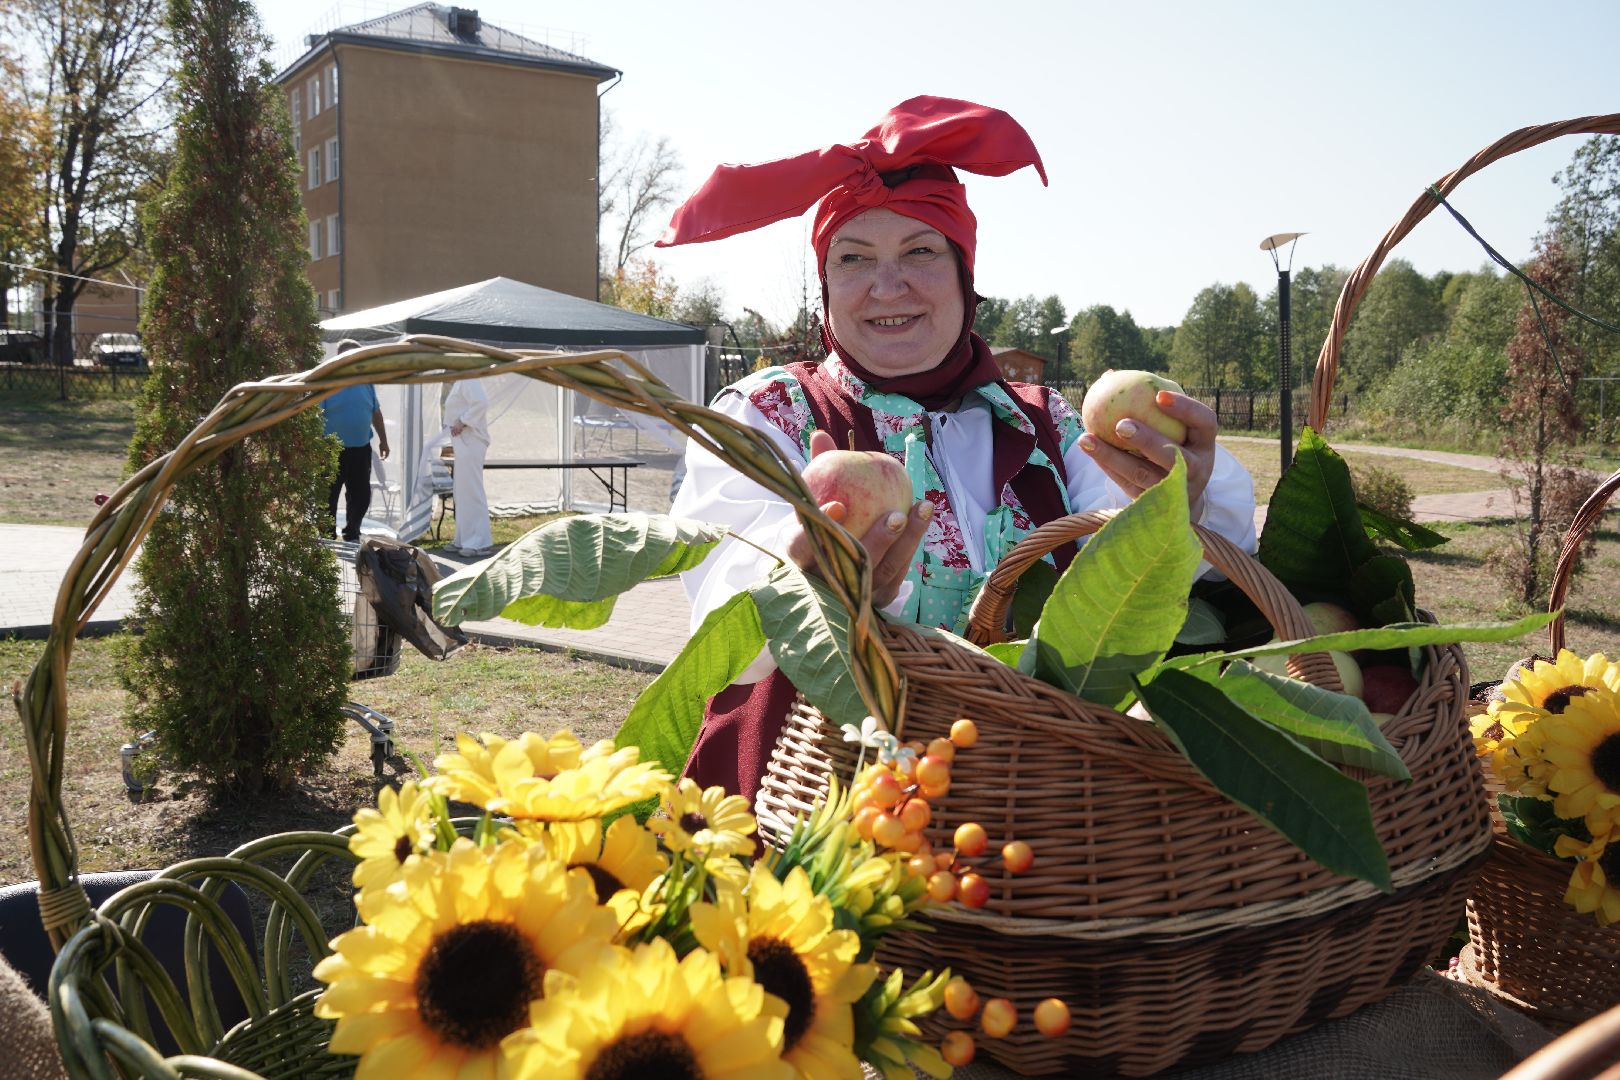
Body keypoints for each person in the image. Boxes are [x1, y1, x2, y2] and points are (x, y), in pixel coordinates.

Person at [657, 96, 1258, 804]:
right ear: (826, 290)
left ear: (965, 276)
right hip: (818, 804)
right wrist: (804, 574)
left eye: (920, 251)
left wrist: (1175, 504)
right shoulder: (764, 415)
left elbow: (1143, 577)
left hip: (1035, 807)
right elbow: (722, 605)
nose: (887, 286)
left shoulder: (1049, 424)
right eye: (853, 259)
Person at [321, 338, 389, 543]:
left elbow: (376, 413)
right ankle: (326, 536)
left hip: (360, 449)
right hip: (332, 450)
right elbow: (314, 416)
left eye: (357, 357)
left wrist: (384, 440)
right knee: (328, 496)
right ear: (339, 358)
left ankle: (352, 532)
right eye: (349, 356)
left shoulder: (366, 382)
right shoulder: (327, 381)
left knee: (361, 495)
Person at [442, 377, 494, 556]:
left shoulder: (469, 378)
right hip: (463, 441)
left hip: (472, 440)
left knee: (472, 491)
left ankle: (479, 543)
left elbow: (481, 403)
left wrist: (462, 421)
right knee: (462, 492)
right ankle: (463, 539)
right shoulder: (460, 380)